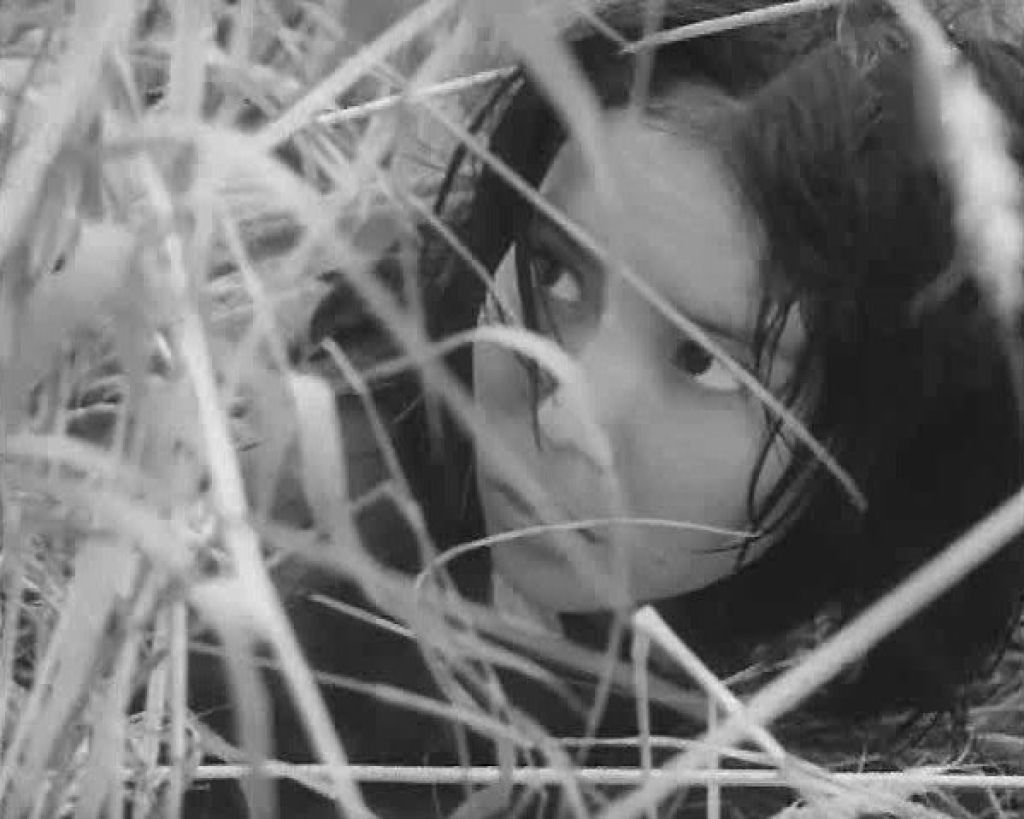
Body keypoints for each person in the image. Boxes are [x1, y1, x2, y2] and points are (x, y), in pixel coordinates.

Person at [196, 2, 1024, 816]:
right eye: (554, 271)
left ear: (886, 435)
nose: (566, 413)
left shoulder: (816, 748)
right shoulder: (282, 566)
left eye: (701, 361)